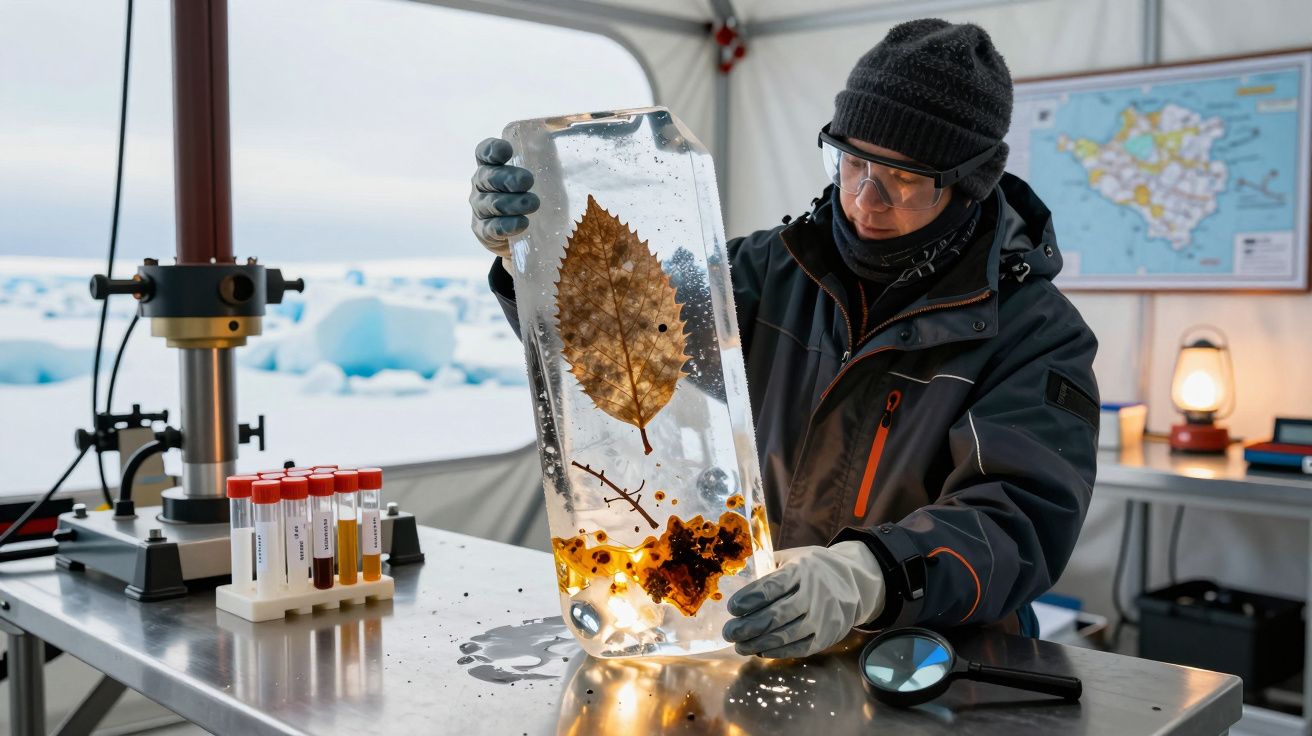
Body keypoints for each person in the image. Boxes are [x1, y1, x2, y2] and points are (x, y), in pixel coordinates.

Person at [470, 19, 1099, 659]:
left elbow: (1019, 518)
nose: (866, 200)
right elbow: (618, 352)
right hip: (754, 634)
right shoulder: (759, 273)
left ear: (968, 182)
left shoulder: (1037, 333)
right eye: (852, 160)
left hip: (930, 662)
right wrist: (531, 258)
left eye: (904, 179)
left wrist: (872, 575)